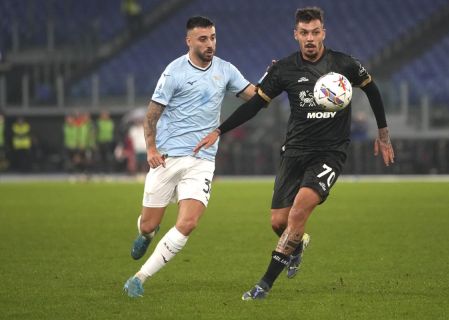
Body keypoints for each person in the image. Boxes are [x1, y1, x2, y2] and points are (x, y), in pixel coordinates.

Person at [194, 7, 395, 300]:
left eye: (315, 32)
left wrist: (383, 133)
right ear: (296, 35)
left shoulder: (344, 64)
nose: (310, 38)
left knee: (299, 211)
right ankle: (296, 245)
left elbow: (373, 90)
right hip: (294, 152)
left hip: (330, 153)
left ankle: (263, 285)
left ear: (323, 32)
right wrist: (219, 130)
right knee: (279, 222)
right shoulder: (285, 69)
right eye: (304, 33)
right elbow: (255, 105)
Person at [123, 16, 256, 298]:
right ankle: (146, 235)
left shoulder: (226, 70)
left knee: (188, 223)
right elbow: (151, 116)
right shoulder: (174, 72)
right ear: (189, 41)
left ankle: (140, 278)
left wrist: (272, 81)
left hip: (202, 160)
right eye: (203, 39)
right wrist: (150, 149)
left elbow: (253, 97)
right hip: (167, 159)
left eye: (213, 38)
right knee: (148, 225)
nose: (210, 44)